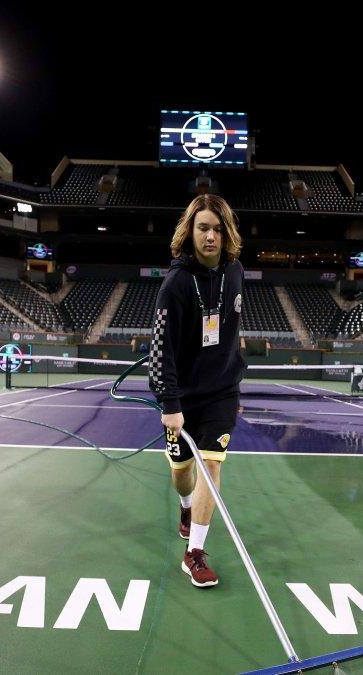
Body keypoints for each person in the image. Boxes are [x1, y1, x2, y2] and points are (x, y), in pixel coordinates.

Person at [148, 193, 245, 588]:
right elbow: (160, 349)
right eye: (203, 227)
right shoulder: (175, 284)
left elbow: (234, 328)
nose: (210, 236)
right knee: (182, 475)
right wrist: (170, 404)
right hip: (182, 399)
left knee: (212, 465)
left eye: (218, 229)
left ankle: (195, 553)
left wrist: (234, 380)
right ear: (190, 231)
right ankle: (185, 507)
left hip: (222, 392)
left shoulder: (235, 272)